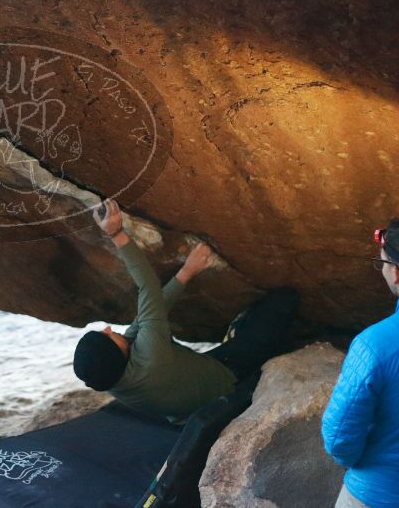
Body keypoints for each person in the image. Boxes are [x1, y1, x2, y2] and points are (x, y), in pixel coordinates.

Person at [73, 199, 299, 422]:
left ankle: (238, 333)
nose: (109, 329)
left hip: (190, 400)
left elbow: (150, 313)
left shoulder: (112, 377)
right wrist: (116, 234)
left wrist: (188, 271)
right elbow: (148, 289)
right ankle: (243, 337)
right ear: (116, 354)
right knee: (284, 301)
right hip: (227, 379)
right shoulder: (150, 357)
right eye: (106, 336)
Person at [322, 221, 399, 508]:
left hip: (378, 493)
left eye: (382, 263)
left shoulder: (374, 345)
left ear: (397, 273)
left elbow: (339, 436)